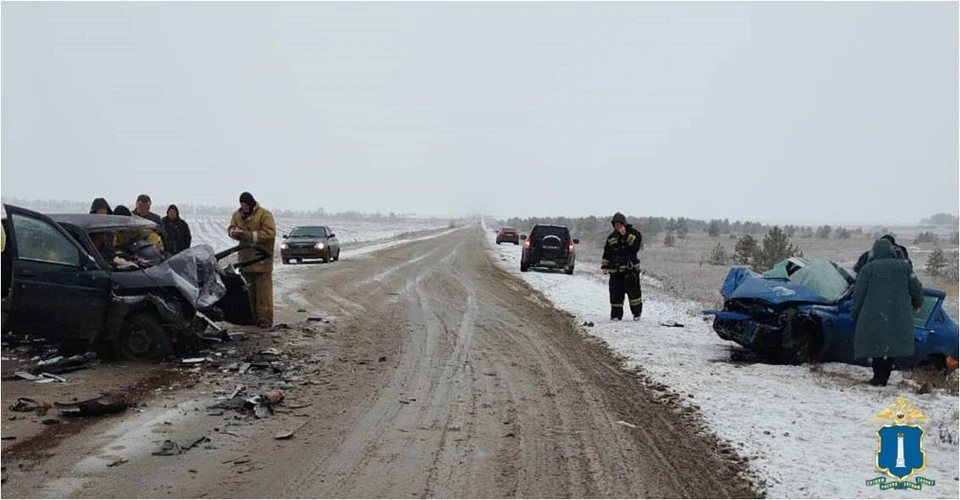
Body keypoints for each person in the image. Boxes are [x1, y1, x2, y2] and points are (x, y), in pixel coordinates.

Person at [851, 238, 924, 386]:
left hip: (874, 315)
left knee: (877, 345)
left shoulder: (868, 269)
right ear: (892, 251)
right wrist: (917, 303)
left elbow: (858, 295)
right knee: (889, 346)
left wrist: (854, 313)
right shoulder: (904, 267)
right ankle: (884, 377)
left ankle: (878, 377)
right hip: (898, 313)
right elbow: (916, 288)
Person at [227, 192, 277, 328]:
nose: (244, 207)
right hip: (245, 260)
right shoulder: (237, 215)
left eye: (246, 204)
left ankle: (265, 319)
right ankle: (251, 318)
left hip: (261, 260)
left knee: (263, 293)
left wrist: (247, 235)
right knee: (248, 293)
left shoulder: (264, 215)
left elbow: (269, 233)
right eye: (242, 205)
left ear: (251, 203)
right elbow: (230, 228)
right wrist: (234, 232)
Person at [601, 212, 644, 321]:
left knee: (634, 294)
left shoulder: (634, 233)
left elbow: (636, 247)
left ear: (624, 223)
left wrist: (625, 235)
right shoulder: (611, 237)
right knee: (615, 294)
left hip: (631, 271)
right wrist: (605, 266)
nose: (617, 227)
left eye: (619, 224)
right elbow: (607, 253)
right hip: (615, 272)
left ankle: (637, 314)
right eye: (615, 225)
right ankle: (616, 315)